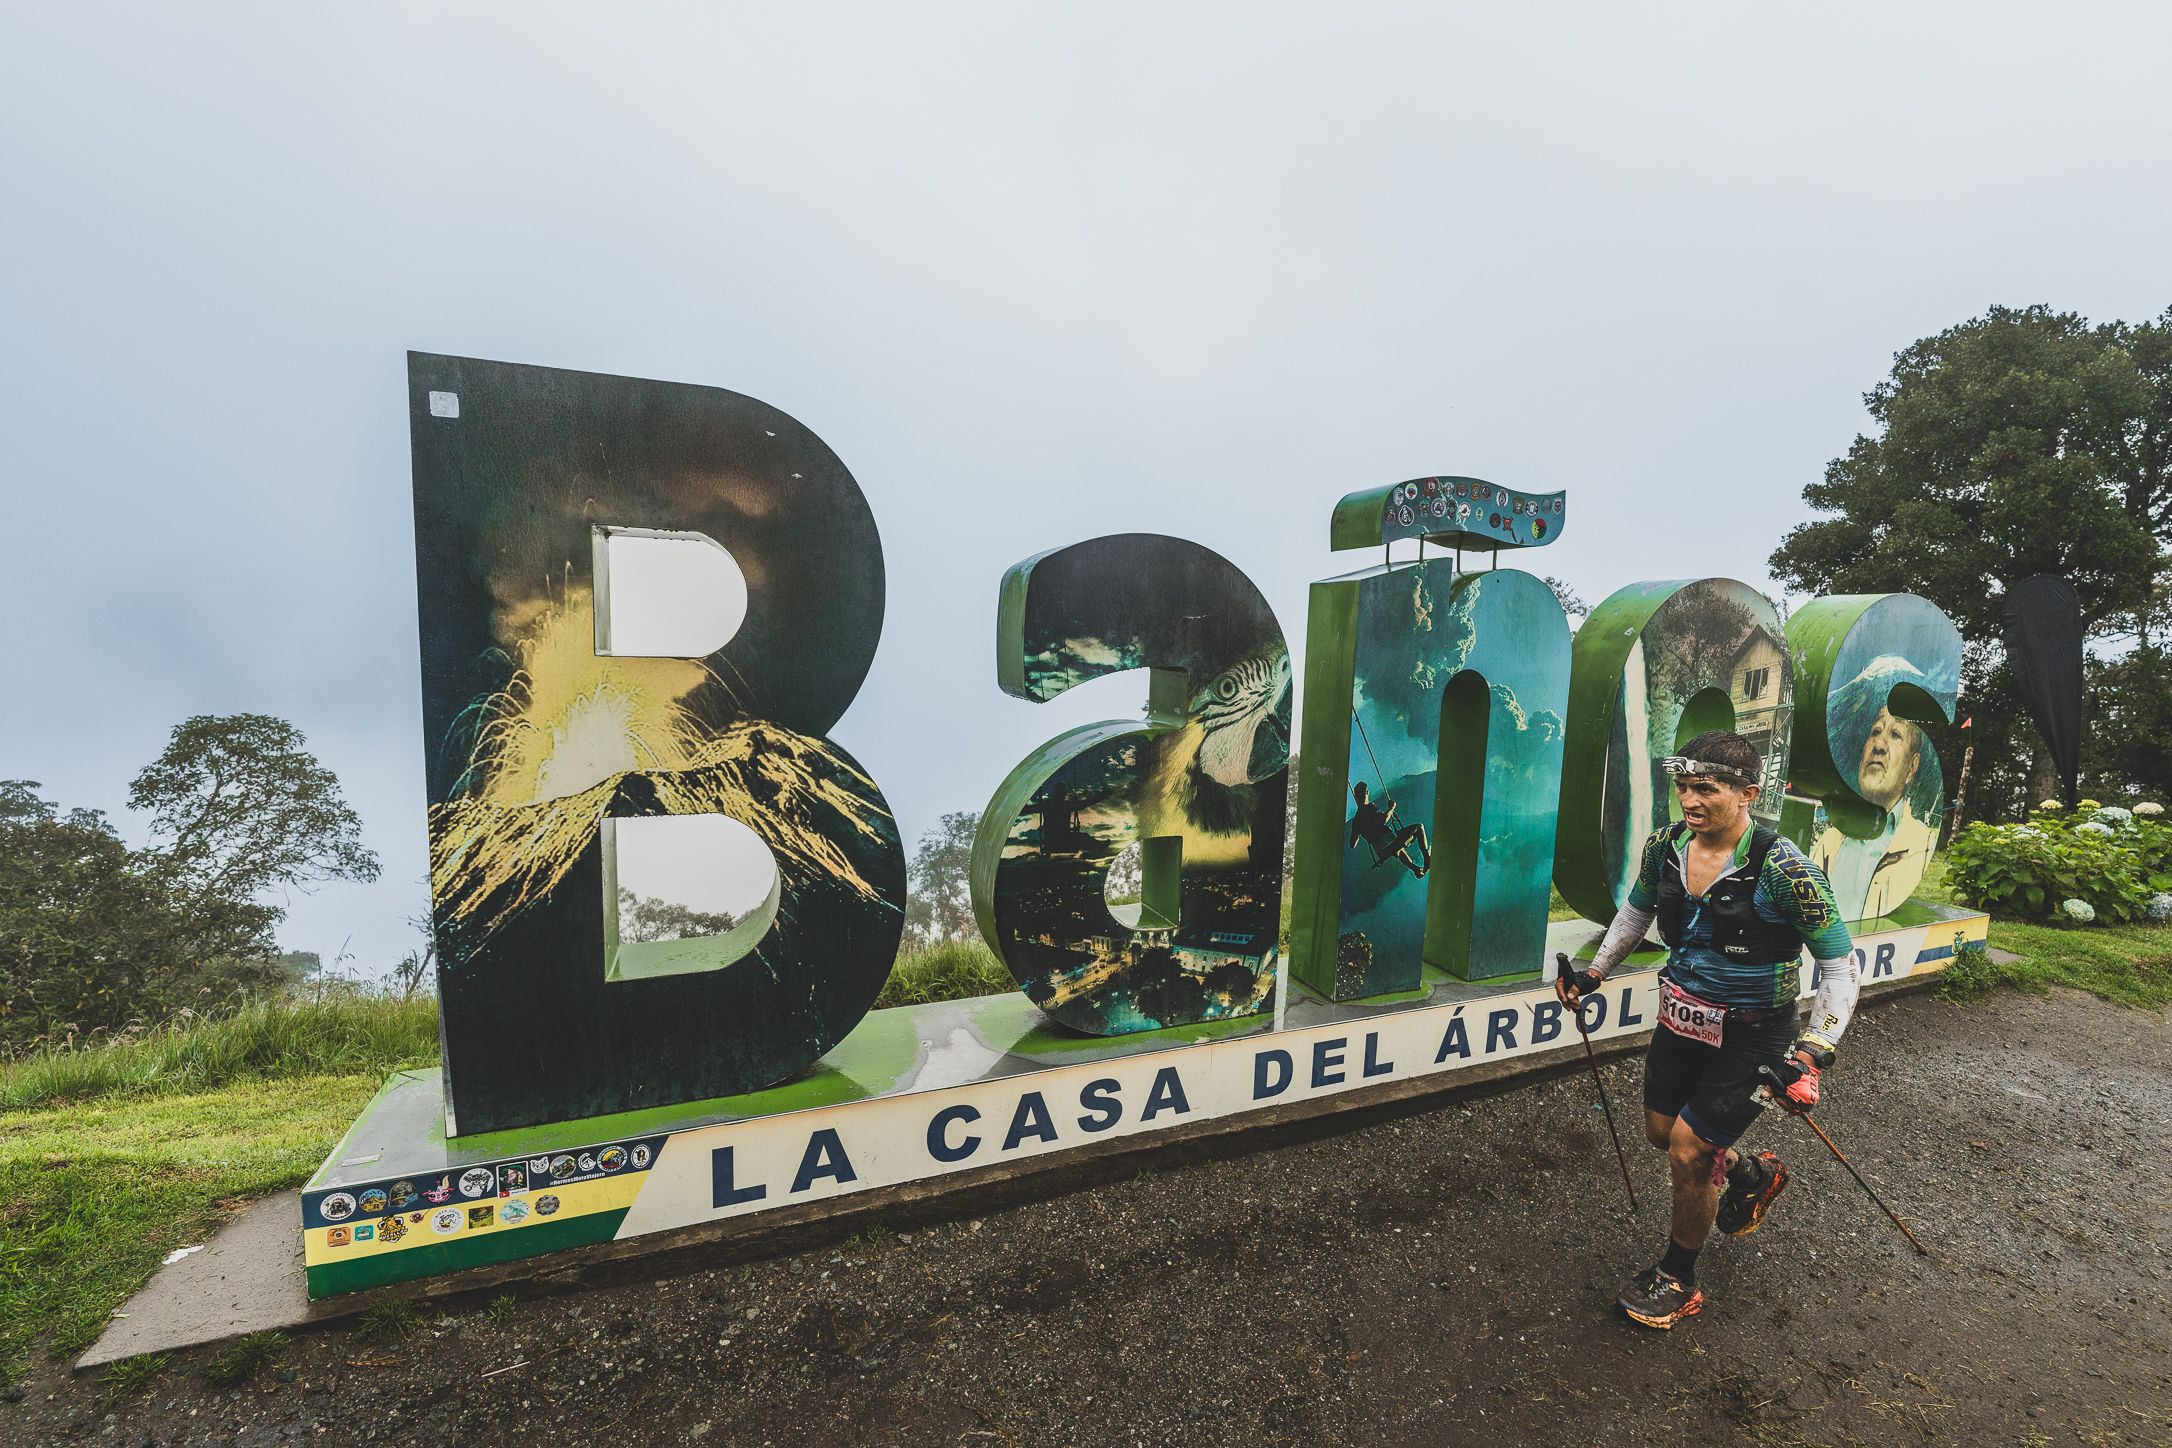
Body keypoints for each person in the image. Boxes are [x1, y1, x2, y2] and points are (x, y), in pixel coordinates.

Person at [1556, 730, 1859, 1330]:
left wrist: (1814, 1050)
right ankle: (1751, 1174)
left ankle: (1678, 1276)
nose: (1689, 802)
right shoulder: (1666, 846)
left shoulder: (1785, 869)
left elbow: (1839, 965)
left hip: (1753, 1032)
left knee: (1690, 1153)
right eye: (1683, 788)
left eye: (1706, 790)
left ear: (1747, 793)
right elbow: (1637, 910)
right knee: (1662, 1133)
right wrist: (1594, 972)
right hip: (1680, 1018)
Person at [1810, 707, 1936, 920]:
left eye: (1895, 735)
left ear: (1912, 767)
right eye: (1875, 732)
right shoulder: (1828, 841)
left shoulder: (1923, 844)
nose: (1878, 745)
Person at [1348, 781, 1429, 878]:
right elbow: (1384, 819)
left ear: (1356, 796)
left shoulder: (1356, 820)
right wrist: (1391, 808)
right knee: (1419, 827)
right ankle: (1427, 859)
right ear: (1367, 792)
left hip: (1382, 852)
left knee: (1398, 848)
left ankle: (1415, 869)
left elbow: (1352, 844)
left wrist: (1358, 833)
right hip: (1390, 843)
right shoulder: (1370, 807)